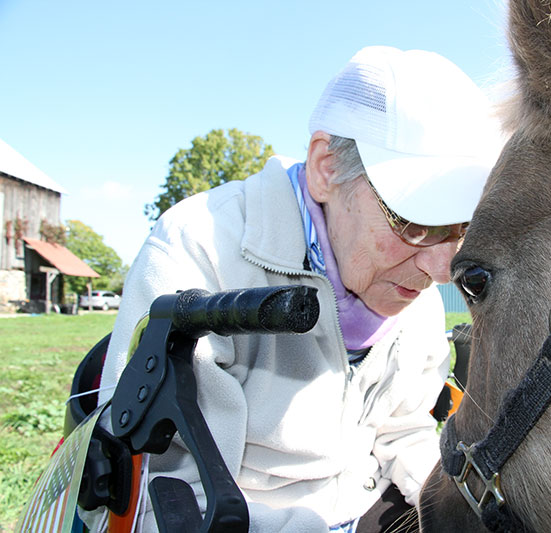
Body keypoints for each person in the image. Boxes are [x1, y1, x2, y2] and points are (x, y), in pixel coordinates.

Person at [93, 45, 502, 532]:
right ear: (327, 167)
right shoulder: (198, 256)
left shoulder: (413, 285)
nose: (440, 270)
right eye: (415, 222)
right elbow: (164, 491)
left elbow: (404, 431)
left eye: (461, 228)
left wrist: (460, 510)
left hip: (360, 501)